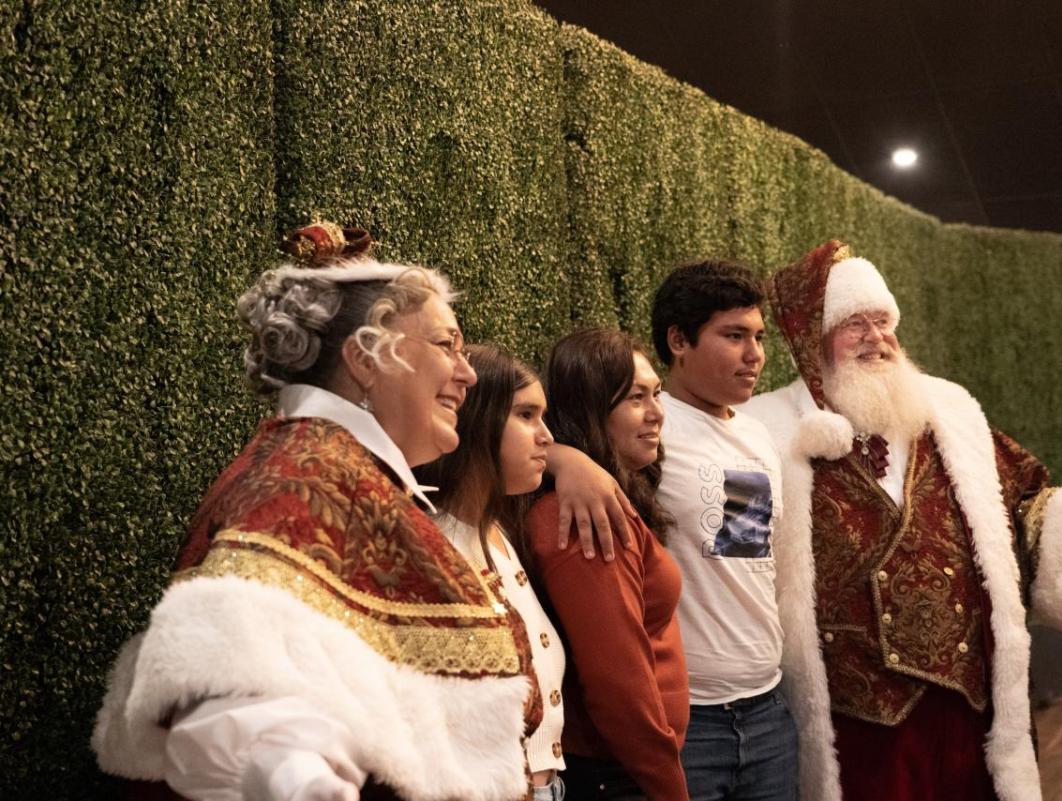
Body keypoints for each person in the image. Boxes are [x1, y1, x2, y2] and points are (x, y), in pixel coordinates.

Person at [91, 222, 537, 801]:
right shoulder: (305, 476)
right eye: (447, 344)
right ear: (366, 359)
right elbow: (227, 717)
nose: (467, 372)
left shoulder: (329, 467)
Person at [742, 240, 1062, 801]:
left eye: (884, 321)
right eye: (853, 323)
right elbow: (735, 562)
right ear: (813, 339)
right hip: (852, 720)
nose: (876, 337)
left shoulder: (953, 415)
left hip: (964, 708)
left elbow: (1024, 512)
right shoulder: (762, 430)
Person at [646, 262, 797, 801]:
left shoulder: (756, 434)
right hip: (688, 721)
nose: (754, 354)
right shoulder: (647, 425)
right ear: (679, 340)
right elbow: (544, 444)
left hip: (768, 711)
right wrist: (570, 463)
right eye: (734, 336)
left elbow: (741, 549)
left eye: (758, 337)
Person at [524, 328, 690, 801]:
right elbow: (617, 684)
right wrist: (669, 787)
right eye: (636, 397)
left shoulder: (607, 493)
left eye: (656, 393)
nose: (657, 412)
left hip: (628, 769)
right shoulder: (578, 513)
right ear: (593, 408)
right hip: (616, 774)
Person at [413, 344, 568, 801]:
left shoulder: (497, 528)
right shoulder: (436, 545)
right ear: (477, 419)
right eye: (526, 415)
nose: (546, 436)